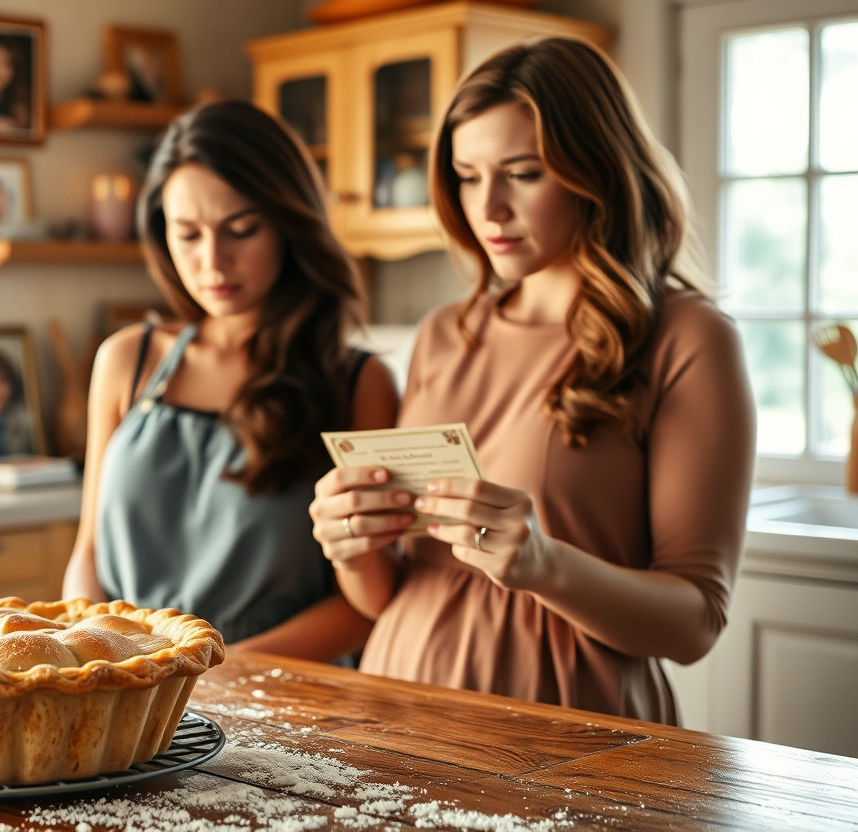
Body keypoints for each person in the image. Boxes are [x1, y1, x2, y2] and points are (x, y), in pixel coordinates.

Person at [309, 37, 757, 724]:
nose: (486, 208)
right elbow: (394, 592)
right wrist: (352, 548)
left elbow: (695, 621)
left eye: (522, 173)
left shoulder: (688, 339)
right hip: (398, 708)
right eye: (466, 174)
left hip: (568, 721)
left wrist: (546, 565)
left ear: (596, 171)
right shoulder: (442, 334)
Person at [61, 100, 400, 663]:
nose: (213, 262)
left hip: (279, 697)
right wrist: (91, 656)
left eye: (240, 229)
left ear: (290, 224)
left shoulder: (358, 382)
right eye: (188, 234)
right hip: (129, 687)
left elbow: (364, 605)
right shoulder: (127, 360)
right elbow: (88, 553)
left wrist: (209, 672)